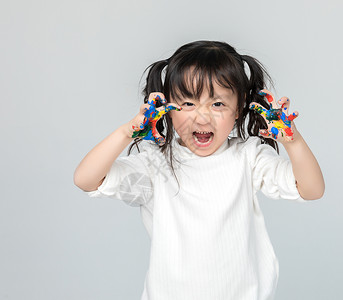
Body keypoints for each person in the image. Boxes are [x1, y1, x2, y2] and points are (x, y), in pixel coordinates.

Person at [73, 40, 325, 300]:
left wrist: (293, 141)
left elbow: (312, 190)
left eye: (218, 104)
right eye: (188, 104)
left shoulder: (248, 157)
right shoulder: (156, 164)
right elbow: (86, 179)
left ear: (238, 110)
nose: (202, 117)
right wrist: (127, 132)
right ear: (167, 109)